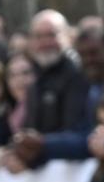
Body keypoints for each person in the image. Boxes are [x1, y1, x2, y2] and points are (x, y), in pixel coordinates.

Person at [11, 9, 92, 166]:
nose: (45, 42)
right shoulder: (35, 79)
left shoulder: (79, 74)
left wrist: (42, 144)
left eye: (51, 35)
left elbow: (80, 134)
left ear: (68, 36)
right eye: (38, 36)